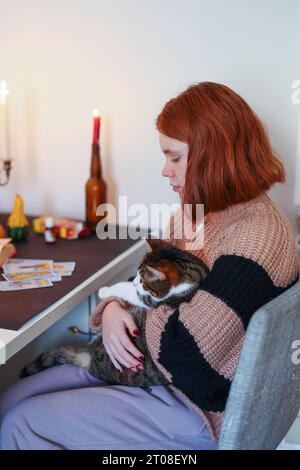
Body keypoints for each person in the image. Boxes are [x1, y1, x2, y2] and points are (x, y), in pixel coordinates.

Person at [0, 82, 298, 450]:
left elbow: (186, 356)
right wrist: (112, 309)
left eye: (174, 157)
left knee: (20, 423)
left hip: (194, 407)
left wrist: (140, 303)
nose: (165, 171)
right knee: (8, 403)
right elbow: (148, 278)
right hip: (151, 371)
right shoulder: (198, 211)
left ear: (213, 154)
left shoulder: (255, 238)